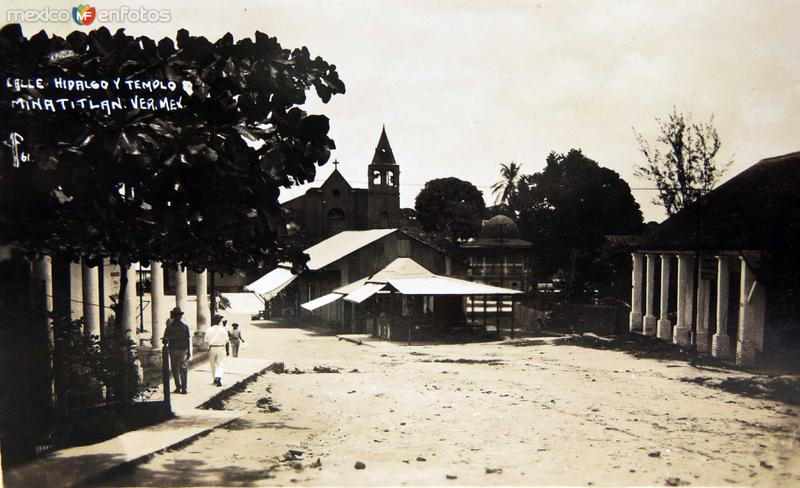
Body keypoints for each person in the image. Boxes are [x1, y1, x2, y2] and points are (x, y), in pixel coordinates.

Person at [163, 307, 190, 394]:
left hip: (173, 349)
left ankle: (178, 387)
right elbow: (187, 340)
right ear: (180, 317)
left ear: (173, 316)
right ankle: (184, 387)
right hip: (183, 349)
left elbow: (165, 339)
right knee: (183, 368)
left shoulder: (169, 327)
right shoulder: (185, 327)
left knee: (175, 368)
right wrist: (188, 351)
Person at [204, 314, 228, 386]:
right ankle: (218, 377)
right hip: (221, 347)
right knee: (220, 364)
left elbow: (206, 340)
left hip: (212, 348)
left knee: (213, 364)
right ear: (219, 322)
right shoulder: (223, 329)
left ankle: (214, 378)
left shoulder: (208, 329)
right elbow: (226, 340)